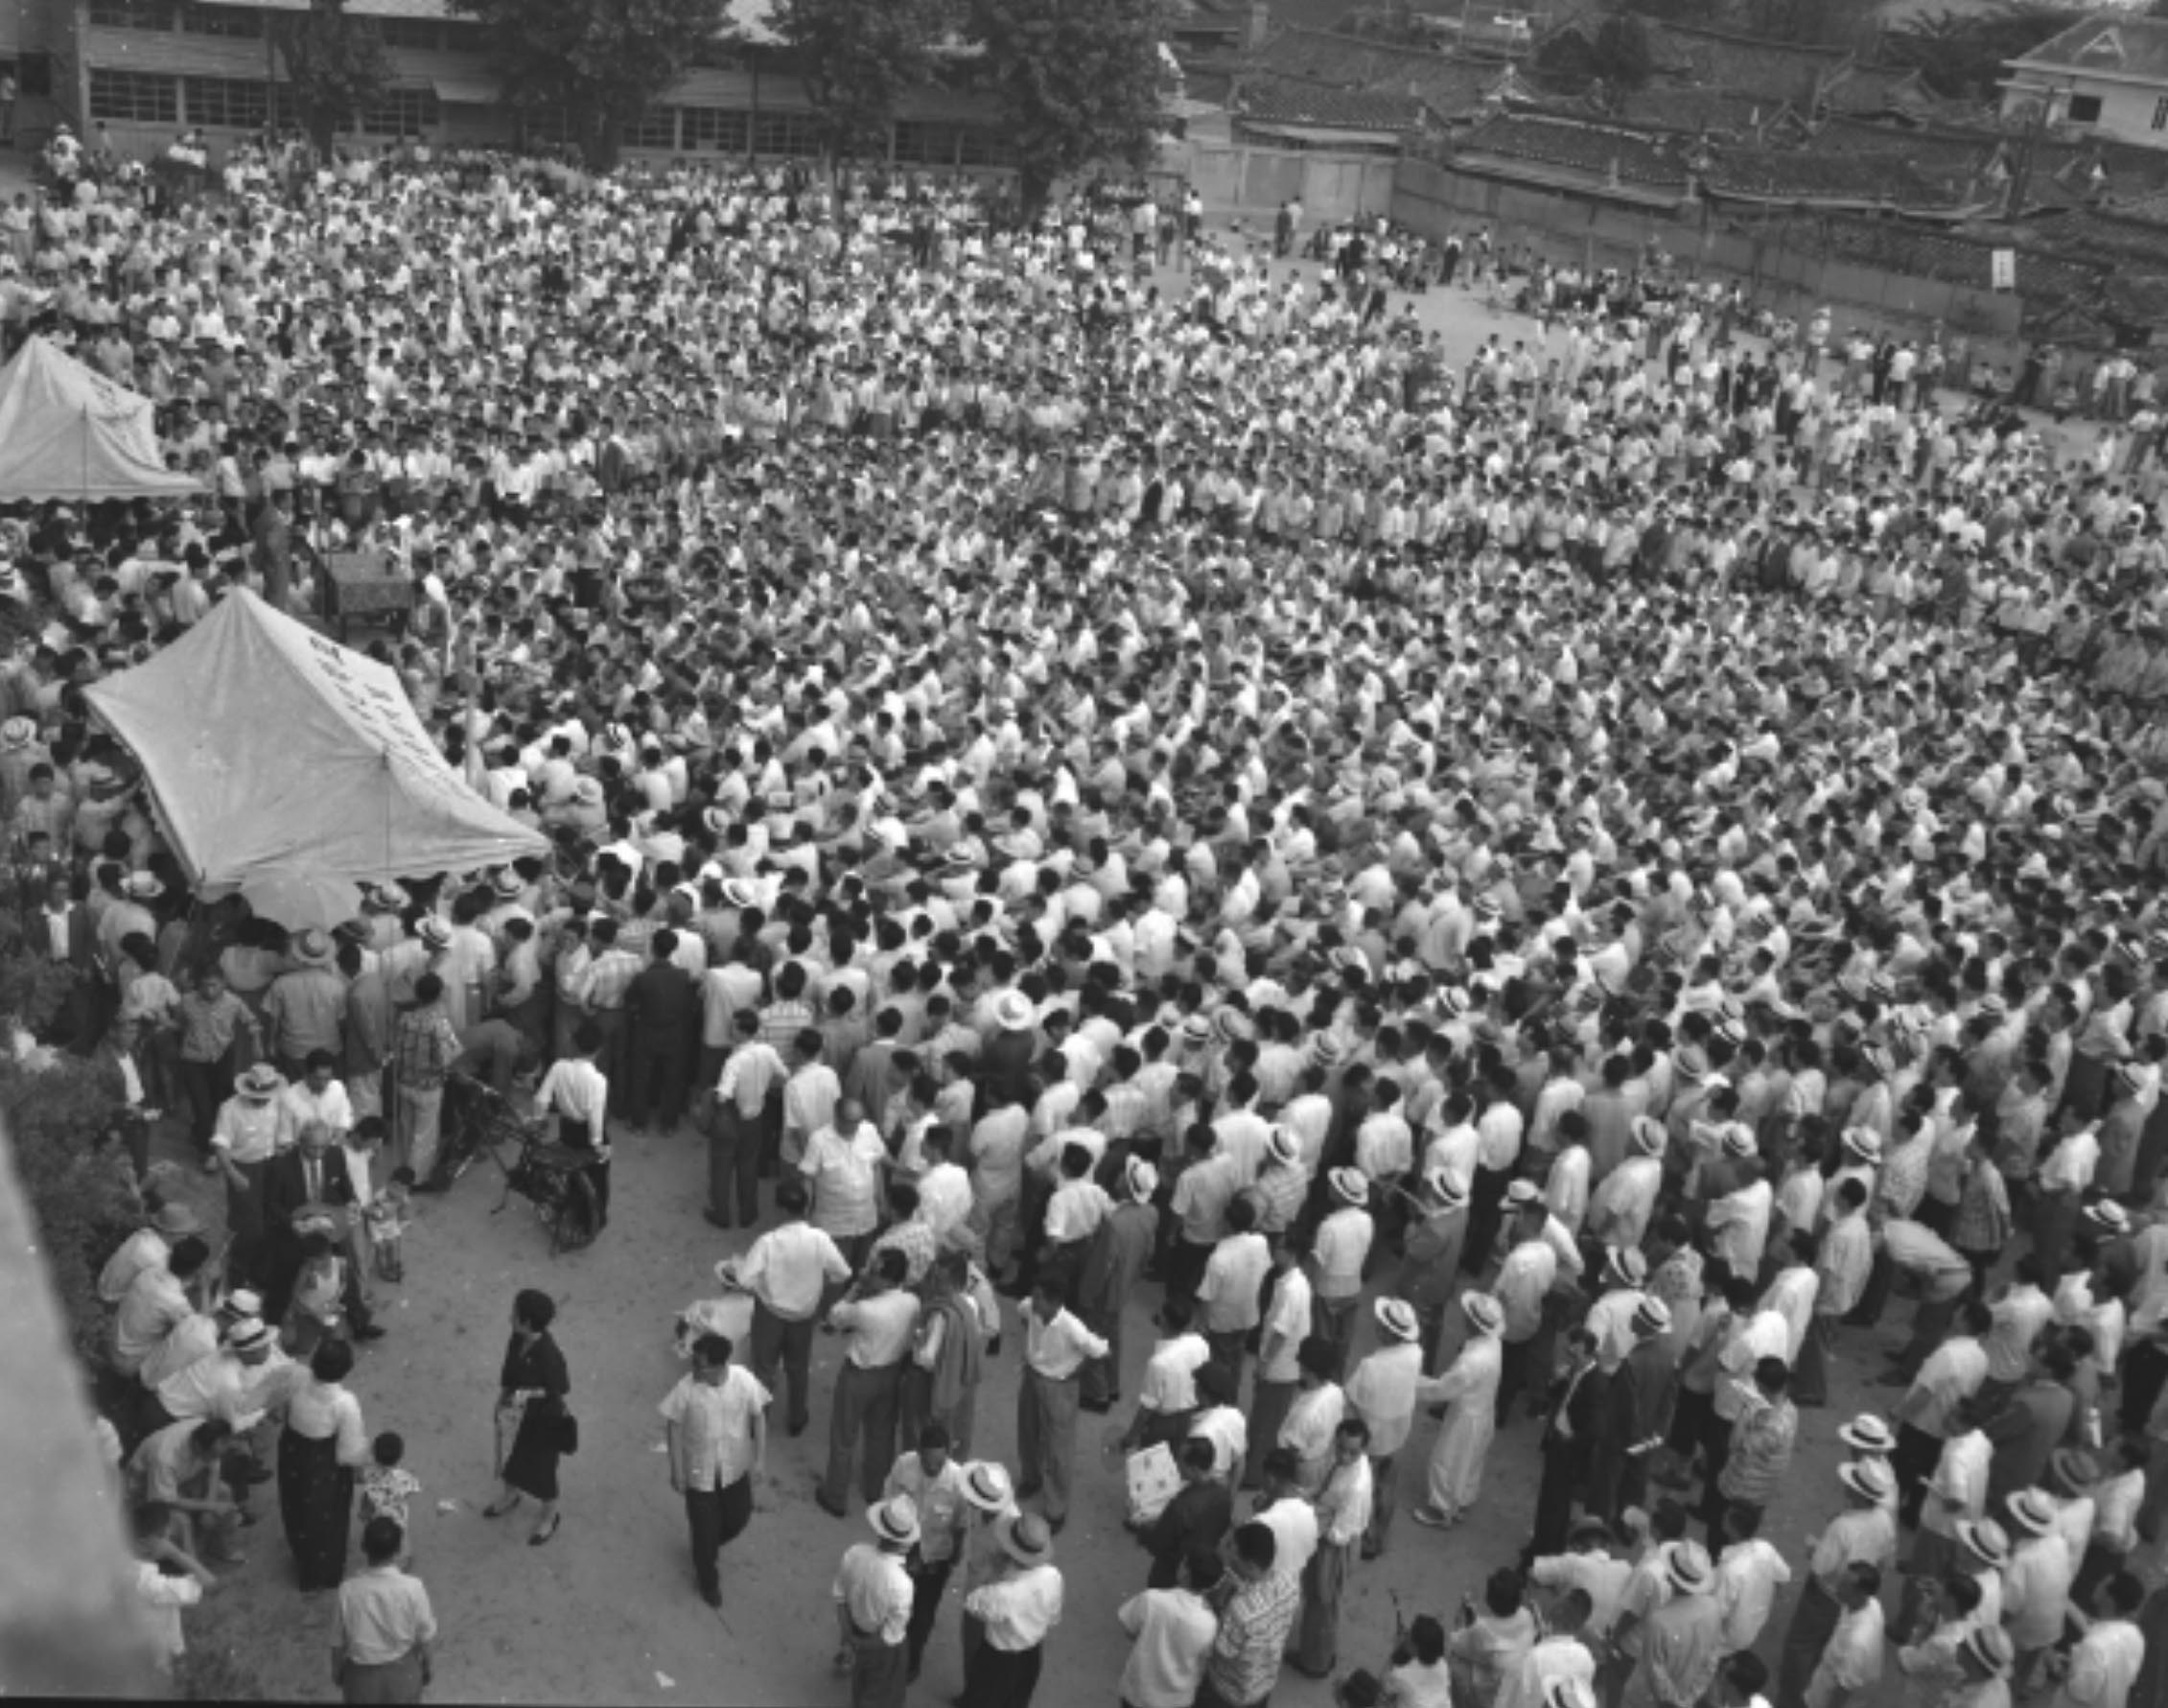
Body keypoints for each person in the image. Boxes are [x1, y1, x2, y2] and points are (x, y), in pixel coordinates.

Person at [659, 1330, 769, 1609]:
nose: (694, 1369)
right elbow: (672, 1425)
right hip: (700, 1474)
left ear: (720, 1366)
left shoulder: (743, 1380)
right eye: (694, 1362)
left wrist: (759, 1460)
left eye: (700, 1365)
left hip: (736, 1469)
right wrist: (677, 1470)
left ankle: (704, 1548)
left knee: (738, 1519)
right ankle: (708, 1580)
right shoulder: (687, 1388)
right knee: (704, 1533)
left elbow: (758, 1417)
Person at [736, 1179, 852, 1438]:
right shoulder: (820, 1239)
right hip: (803, 1317)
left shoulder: (768, 1242)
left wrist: (762, 1287)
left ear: (780, 1209)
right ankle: (797, 1418)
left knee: (764, 1369)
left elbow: (745, 1280)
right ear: (806, 1208)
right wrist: (820, 1294)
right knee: (798, 1368)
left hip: (770, 1314)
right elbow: (842, 1273)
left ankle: (759, 1421)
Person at [819, 1248, 919, 1517]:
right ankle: (875, 1488)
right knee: (881, 1435)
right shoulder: (912, 1302)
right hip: (892, 1372)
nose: (869, 1274)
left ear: (886, 1280)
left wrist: (857, 1286)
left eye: (874, 1272)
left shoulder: (866, 1309)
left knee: (843, 1435)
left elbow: (835, 1316)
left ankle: (835, 1495)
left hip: (859, 1373)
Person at [1017, 1275, 1109, 1533]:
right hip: (1033, 1377)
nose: (1032, 1302)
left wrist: (1074, 1371)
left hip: (1059, 1387)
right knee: (1028, 1432)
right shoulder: (1030, 1307)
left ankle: (1056, 1507)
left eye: (1039, 1298)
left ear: (1055, 1302)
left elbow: (1102, 1351)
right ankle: (1031, 1478)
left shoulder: (1073, 1327)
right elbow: (1023, 1314)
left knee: (1059, 1448)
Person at [279, 1338, 371, 1592]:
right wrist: (359, 1470)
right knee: (326, 1516)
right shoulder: (344, 1402)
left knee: (296, 1509)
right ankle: (325, 1573)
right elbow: (351, 1447)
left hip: (293, 1452)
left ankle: (303, 1563)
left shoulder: (297, 1379)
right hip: (323, 1463)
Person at [881, 1423, 968, 1682]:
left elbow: (961, 1524)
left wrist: (954, 1557)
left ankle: (911, 1660)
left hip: (935, 1557)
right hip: (902, 1548)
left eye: (940, 1462)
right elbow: (887, 1500)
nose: (934, 1468)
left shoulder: (956, 1481)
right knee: (892, 1604)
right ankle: (888, 1652)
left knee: (922, 1615)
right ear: (919, 1453)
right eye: (929, 1462)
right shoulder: (903, 1466)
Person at [1410, 1289, 1504, 1530]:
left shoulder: (1472, 1361)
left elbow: (1444, 1389)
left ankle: (1441, 1509)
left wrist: (1413, 1383)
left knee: (1447, 1461)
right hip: (1483, 1409)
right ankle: (1461, 1501)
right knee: (1471, 1461)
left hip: (1466, 1415)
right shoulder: (1493, 1343)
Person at [484, 1288, 570, 1546]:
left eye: (515, 1314)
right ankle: (511, 1495)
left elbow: (560, 1389)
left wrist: (526, 1395)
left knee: (543, 1471)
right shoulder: (516, 1338)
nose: (510, 1318)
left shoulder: (549, 1357)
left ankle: (550, 1517)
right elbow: (508, 1373)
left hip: (541, 1421)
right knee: (509, 1456)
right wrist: (502, 1399)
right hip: (513, 1414)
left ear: (528, 1322)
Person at [1294, 1416, 1374, 1677]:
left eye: (1352, 1451)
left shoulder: (1357, 1486)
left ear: (1363, 1450)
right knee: (1319, 1600)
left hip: (1335, 1544)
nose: (1344, 1455)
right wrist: (1310, 1496)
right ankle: (1317, 1652)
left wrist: (1311, 1521)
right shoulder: (1345, 1464)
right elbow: (1326, 1486)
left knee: (1323, 1602)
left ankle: (1315, 1662)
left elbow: (1338, 1535)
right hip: (1329, 1521)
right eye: (1340, 1447)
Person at [961, 1510, 1062, 1708]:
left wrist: (992, 1573)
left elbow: (972, 1603)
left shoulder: (1002, 1593)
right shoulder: (1053, 1576)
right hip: (1031, 1654)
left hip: (998, 1659)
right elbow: (1053, 1616)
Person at [332, 1516, 436, 1704]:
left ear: (364, 1547)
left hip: (360, 1681)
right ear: (398, 1550)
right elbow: (425, 1636)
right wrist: (428, 1667)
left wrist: (338, 1672)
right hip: (404, 1675)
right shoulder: (413, 1588)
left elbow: (337, 1642)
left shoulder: (347, 1590)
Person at [1198, 1521, 1298, 1708]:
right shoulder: (1290, 1581)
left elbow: (1223, 1651)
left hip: (1229, 1691)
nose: (1229, 1558)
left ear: (1251, 1565)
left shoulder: (1240, 1610)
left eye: (1234, 1555)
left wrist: (1214, 1610)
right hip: (1264, 1683)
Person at [833, 1494, 918, 1708]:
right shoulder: (902, 1584)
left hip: (854, 1626)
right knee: (881, 1693)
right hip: (879, 1646)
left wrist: (849, 1636)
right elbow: (891, 1635)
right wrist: (861, 1646)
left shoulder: (854, 1554)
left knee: (860, 1683)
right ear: (907, 1543)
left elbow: (840, 1597)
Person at [1117, 1546, 1220, 1708]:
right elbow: (1204, 1660)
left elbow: (1129, 1630)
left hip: (1140, 1693)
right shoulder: (1210, 1623)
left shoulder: (1151, 1600)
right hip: (1178, 1700)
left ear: (1186, 1572)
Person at [533, 1020, 611, 1231]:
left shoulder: (559, 1067)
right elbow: (596, 1118)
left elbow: (541, 1099)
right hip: (587, 1132)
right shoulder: (598, 1080)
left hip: (566, 1127)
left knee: (568, 1165)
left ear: (574, 1045)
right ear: (599, 1049)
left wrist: (539, 1119)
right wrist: (597, 1144)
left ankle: (568, 1203)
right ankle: (594, 1217)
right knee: (598, 1173)